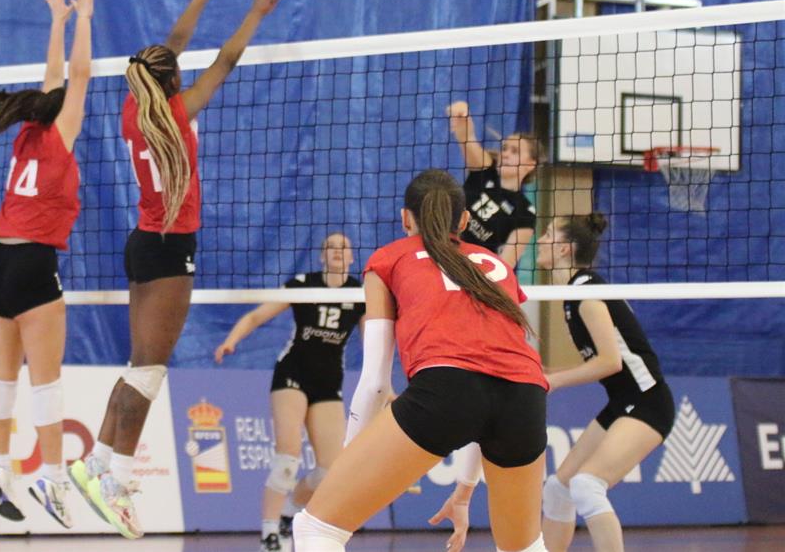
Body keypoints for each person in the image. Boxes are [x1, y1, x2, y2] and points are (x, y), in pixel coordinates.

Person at [68, 0, 286, 540]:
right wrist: (256, 11)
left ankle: (96, 463)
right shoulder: (177, 112)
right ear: (172, 80)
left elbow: (173, 44)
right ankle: (116, 480)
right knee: (150, 371)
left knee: (138, 365)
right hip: (170, 250)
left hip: (143, 242)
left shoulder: (133, 111)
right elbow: (226, 59)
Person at [294, 169, 549, 552]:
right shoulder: (495, 266)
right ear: (464, 221)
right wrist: (465, 489)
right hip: (526, 397)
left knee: (316, 529)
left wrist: (350, 456)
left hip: (445, 390)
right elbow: (491, 387)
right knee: (524, 548)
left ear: (405, 218)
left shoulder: (389, 258)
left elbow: (376, 382)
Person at [0, 0, 94, 529]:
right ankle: (50, 475)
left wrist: (55, 23)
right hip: (31, 264)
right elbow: (77, 77)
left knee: (4, 377)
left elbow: (53, 81)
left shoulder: (27, 132)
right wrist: (83, 20)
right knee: (45, 379)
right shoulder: (58, 134)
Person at [214, 233, 364, 552]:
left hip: (328, 382)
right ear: (322, 256)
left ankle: (289, 511)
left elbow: (374, 342)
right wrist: (232, 340)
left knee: (329, 471)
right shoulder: (304, 285)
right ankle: (269, 533)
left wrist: (385, 385)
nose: (337, 252)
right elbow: (256, 315)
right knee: (287, 458)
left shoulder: (359, 294)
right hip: (292, 374)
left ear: (352, 257)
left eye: (343, 248)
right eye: (331, 247)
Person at [538, 213, 673, 552]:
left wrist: (553, 381)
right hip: (622, 403)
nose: (540, 240)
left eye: (549, 233)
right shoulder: (574, 292)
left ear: (565, 249)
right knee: (558, 488)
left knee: (587, 485)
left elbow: (610, 362)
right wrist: (549, 370)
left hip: (648, 402)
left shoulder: (588, 293)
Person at [446, 100, 541, 269]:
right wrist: (461, 112)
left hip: (471, 270)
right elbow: (466, 138)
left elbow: (504, 266)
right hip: (444, 250)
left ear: (530, 164)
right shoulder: (485, 170)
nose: (505, 154)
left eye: (515, 151)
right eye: (504, 148)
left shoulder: (525, 213)